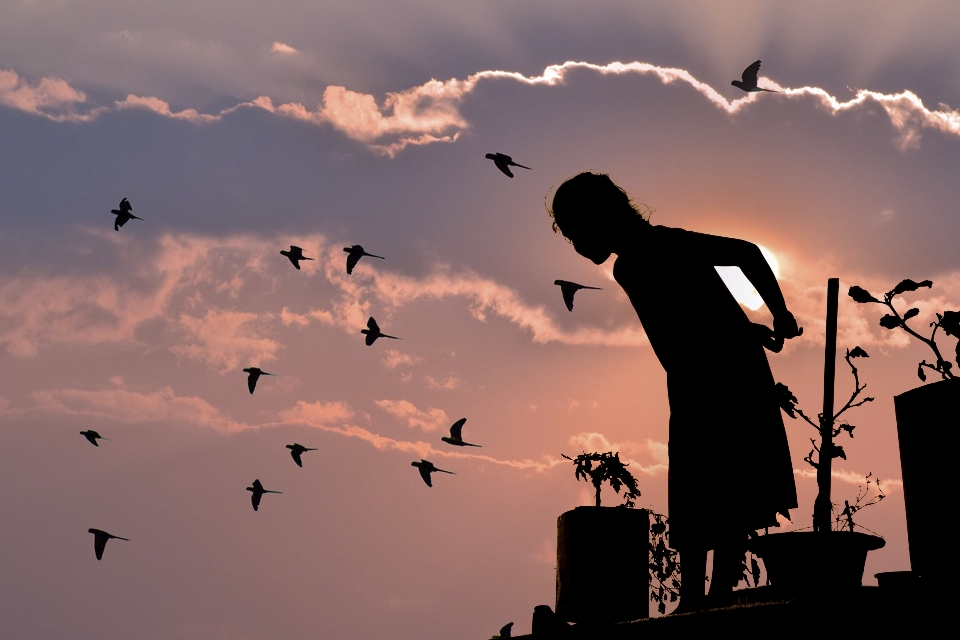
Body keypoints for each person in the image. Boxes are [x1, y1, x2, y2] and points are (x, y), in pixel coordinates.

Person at [549, 172, 801, 611]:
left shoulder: (659, 245)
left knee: (719, 479)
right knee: (703, 481)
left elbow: (746, 253)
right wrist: (750, 328)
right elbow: (692, 313)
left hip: (720, 378)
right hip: (699, 375)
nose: (574, 244)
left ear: (599, 219)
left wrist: (779, 312)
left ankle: (711, 595)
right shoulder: (630, 262)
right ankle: (698, 596)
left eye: (574, 232)